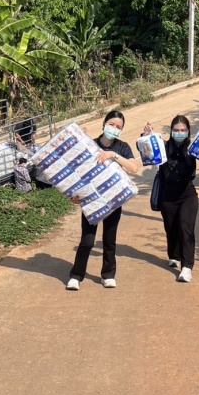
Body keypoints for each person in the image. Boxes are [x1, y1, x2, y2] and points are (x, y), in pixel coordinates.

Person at [67, 110, 141, 291]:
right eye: (111, 124)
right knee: (87, 241)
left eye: (118, 127)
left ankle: (108, 275)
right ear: (104, 124)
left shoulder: (122, 147)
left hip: (113, 201)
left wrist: (112, 155)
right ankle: (76, 275)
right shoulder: (91, 145)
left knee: (109, 240)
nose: (114, 129)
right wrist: (74, 195)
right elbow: (77, 172)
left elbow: (134, 168)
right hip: (91, 201)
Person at [141, 116, 199, 283]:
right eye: (176, 130)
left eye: (183, 130)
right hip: (167, 196)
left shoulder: (193, 147)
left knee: (185, 227)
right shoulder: (163, 146)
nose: (179, 133)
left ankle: (187, 267)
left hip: (187, 195)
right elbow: (147, 151)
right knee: (171, 228)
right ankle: (174, 255)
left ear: (188, 131)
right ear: (171, 131)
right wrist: (147, 135)